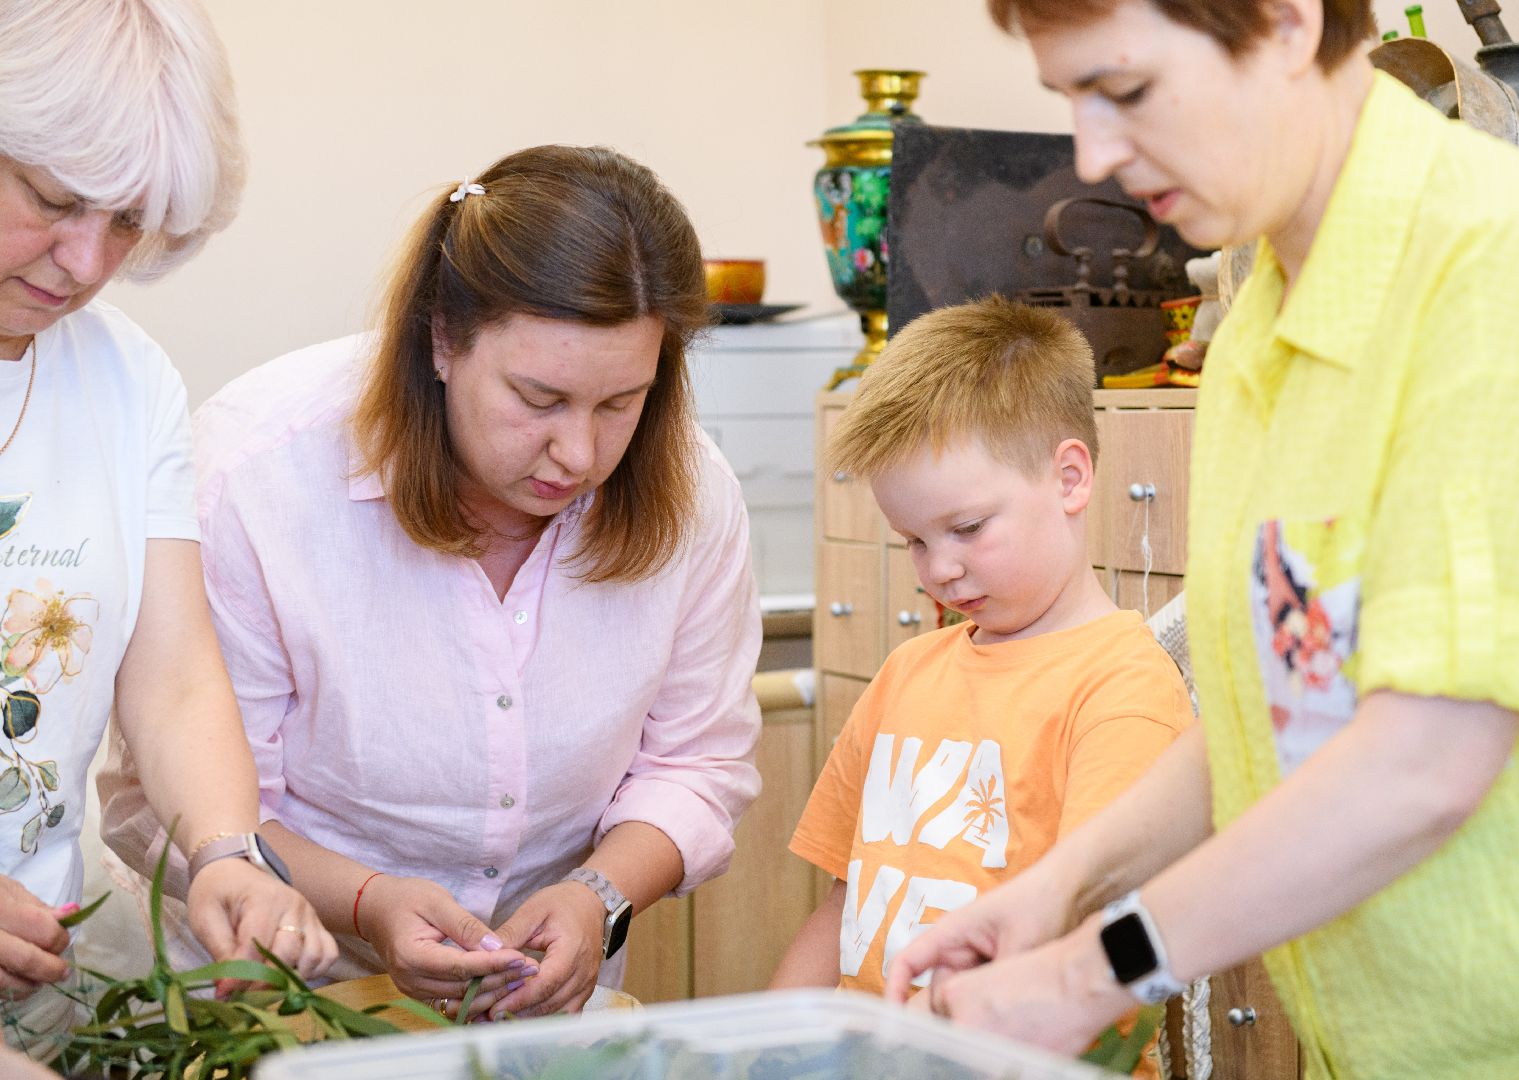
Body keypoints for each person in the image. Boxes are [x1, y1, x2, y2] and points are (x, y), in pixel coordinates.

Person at [887, 1, 1519, 1076]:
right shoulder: (1259, 331)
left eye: (1126, 91)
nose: (1094, 154)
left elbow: (1423, 763)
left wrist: (1090, 971)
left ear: (1285, 22)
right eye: (1070, 101)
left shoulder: (1510, 253)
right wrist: (1056, 888)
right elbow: (1278, 710)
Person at [100, 144, 764, 1023]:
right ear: (443, 339)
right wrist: (370, 900)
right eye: (539, 399)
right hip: (271, 998)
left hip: (534, 1012)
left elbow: (696, 761)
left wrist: (598, 895)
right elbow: (190, 801)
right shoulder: (259, 475)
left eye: (620, 404)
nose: (579, 454)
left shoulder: (691, 487)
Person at [0, 0, 338, 1056]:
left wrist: (226, 852)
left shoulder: (125, 378)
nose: (87, 261)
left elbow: (175, 672)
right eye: (55, 202)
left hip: (40, 986)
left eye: (131, 224)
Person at [771, 298, 1192, 1074]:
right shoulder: (907, 673)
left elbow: (1095, 939)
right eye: (915, 540)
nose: (939, 568)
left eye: (966, 529)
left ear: (1069, 477)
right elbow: (844, 906)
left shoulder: (1121, 690)